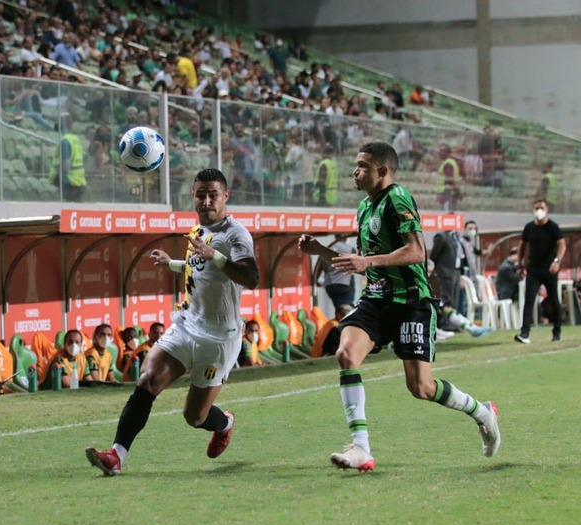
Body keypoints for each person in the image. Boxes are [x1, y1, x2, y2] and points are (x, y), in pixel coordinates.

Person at [298, 142, 500, 472]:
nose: (355, 171)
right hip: (377, 299)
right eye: (356, 164)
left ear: (383, 171)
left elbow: (417, 251)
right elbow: (360, 262)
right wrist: (320, 250)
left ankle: (482, 411)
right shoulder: (365, 207)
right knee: (345, 354)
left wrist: (369, 261)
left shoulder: (398, 198)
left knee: (421, 388)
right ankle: (361, 448)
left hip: (411, 302)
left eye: (362, 165)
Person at [85, 169, 259, 476]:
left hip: (218, 339)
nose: (206, 201)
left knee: (194, 416)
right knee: (148, 379)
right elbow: (201, 269)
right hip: (187, 324)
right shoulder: (197, 232)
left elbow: (251, 278)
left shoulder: (236, 234)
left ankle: (225, 423)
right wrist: (173, 264)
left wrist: (215, 256)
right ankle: (116, 456)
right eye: (200, 194)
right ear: (193, 196)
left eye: (213, 195)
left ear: (226, 197)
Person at [514, 199, 566, 344]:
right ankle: (524, 333)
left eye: (541, 207)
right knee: (529, 299)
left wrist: (557, 261)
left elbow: (562, 245)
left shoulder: (553, 227)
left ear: (546, 209)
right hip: (534, 269)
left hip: (549, 269)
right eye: (536, 208)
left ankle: (557, 331)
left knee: (554, 299)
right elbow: (522, 245)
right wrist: (520, 264)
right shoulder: (529, 228)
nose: (539, 210)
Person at [48, 113, 86, 202]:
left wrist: (57, 177)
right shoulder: (76, 139)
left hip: (67, 182)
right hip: (79, 181)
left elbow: (65, 166)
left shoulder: (65, 141)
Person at [320, 235, 357, 310]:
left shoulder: (327, 249)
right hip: (345, 285)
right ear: (345, 236)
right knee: (347, 309)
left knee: (338, 310)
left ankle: (339, 320)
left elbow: (320, 267)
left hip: (330, 285)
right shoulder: (350, 249)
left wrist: (316, 280)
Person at [436, 145, 462, 212]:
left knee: (447, 214)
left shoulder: (448, 164)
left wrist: (457, 192)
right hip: (447, 193)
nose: (440, 153)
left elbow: (450, 181)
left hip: (447, 194)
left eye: (442, 151)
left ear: (448, 153)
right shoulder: (448, 163)